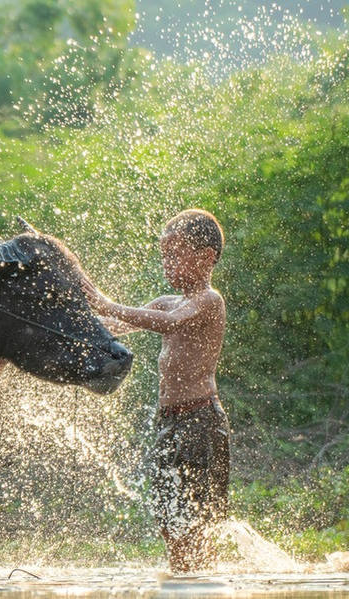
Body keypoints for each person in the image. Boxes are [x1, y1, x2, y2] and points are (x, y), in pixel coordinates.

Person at [94, 208, 230, 573]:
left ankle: (199, 580)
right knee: (168, 512)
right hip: (170, 422)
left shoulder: (208, 300)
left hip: (201, 421)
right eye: (164, 256)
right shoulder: (166, 301)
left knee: (196, 518)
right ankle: (187, 576)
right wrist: (76, 315)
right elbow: (114, 324)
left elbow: (167, 324)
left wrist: (106, 302)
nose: (167, 264)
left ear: (205, 258)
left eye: (175, 255)